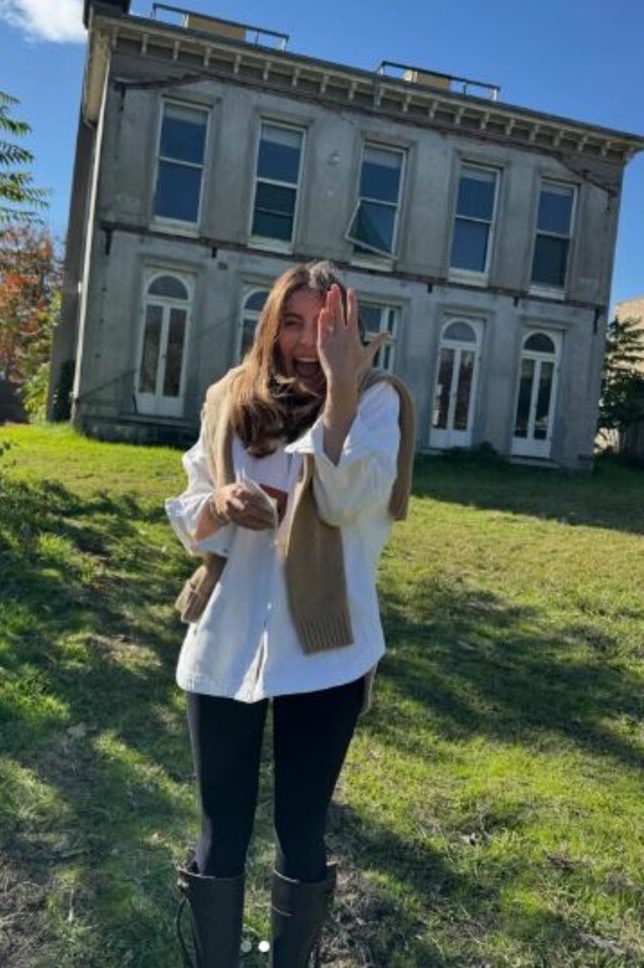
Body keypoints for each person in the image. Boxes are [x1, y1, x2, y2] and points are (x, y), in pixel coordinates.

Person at [165, 260, 415, 968]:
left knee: (301, 830)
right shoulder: (230, 400)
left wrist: (338, 393)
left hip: (327, 652)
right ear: (271, 326)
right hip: (226, 642)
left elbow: (344, 501)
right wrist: (219, 505)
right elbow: (191, 508)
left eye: (329, 325)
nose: (309, 340)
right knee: (221, 831)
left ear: (355, 332)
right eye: (295, 322)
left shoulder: (375, 403)